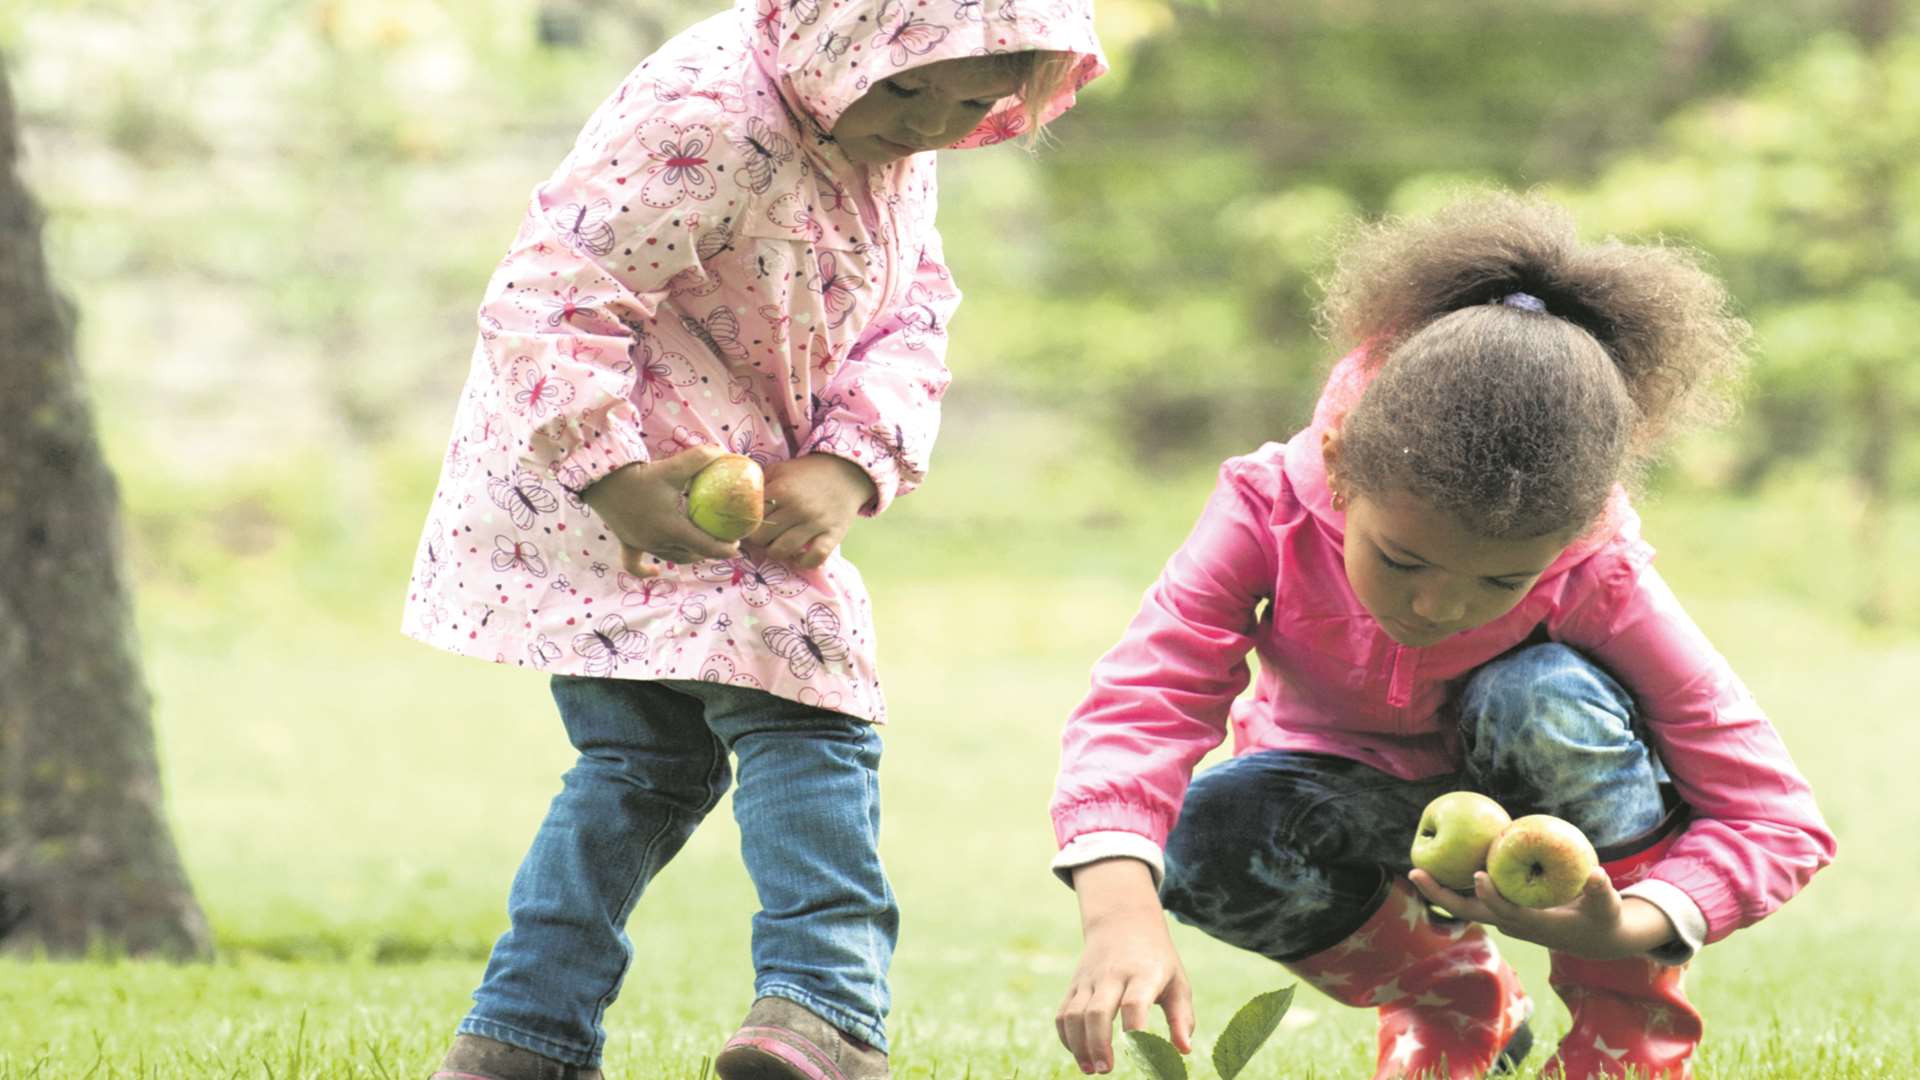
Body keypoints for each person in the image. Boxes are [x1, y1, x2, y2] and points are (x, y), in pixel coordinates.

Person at [402, 2, 1105, 1078]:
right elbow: (553, 293)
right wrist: (613, 472)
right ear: (839, 39)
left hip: (733, 488)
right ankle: (824, 1006)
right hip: (628, 491)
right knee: (811, 711)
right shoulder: (710, 115)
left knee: (644, 760)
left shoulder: (896, 142)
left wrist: (852, 458)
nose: (924, 124)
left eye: (968, 103)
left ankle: (521, 1035)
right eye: (904, 87)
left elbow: (911, 309)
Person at [1048, 194, 1835, 1079]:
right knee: (1206, 834)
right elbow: (1149, 693)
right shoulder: (1265, 511)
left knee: (1541, 699)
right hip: (1347, 799)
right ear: (1342, 471)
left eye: (1500, 582)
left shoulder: (1597, 575)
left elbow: (1773, 815)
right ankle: (1456, 1001)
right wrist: (1118, 910)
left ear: (1570, 539)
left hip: (1552, 829)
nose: (1437, 607)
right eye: (1403, 559)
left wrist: (1629, 923)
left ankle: (1623, 1036)